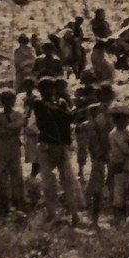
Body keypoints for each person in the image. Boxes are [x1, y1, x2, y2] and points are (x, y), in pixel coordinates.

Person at [31, 77, 79, 224]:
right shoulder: (38, 103)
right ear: (40, 91)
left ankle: (74, 213)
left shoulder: (61, 103)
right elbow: (61, 116)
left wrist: (61, 110)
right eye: (44, 89)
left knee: (68, 180)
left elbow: (70, 118)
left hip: (61, 145)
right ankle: (51, 212)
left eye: (50, 88)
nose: (48, 92)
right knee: (48, 181)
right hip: (47, 145)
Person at [0, 89, 26, 215]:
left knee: (16, 174)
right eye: (5, 99)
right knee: (1, 175)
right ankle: (4, 203)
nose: (8, 102)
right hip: (1, 146)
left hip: (14, 146)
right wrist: (9, 130)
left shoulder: (19, 112)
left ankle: (18, 202)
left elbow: (19, 126)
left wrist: (5, 128)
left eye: (10, 99)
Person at [107, 104, 129, 223]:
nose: (125, 122)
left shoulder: (127, 133)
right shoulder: (114, 134)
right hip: (119, 165)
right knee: (119, 194)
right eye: (122, 120)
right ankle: (118, 220)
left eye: (126, 120)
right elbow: (126, 149)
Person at [85, 96, 113, 228]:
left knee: (98, 180)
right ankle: (91, 206)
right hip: (99, 154)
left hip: (99, 154)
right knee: (97, 181)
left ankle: (91, 204)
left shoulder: (93, 124)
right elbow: (96, 142)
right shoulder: (94, 124)